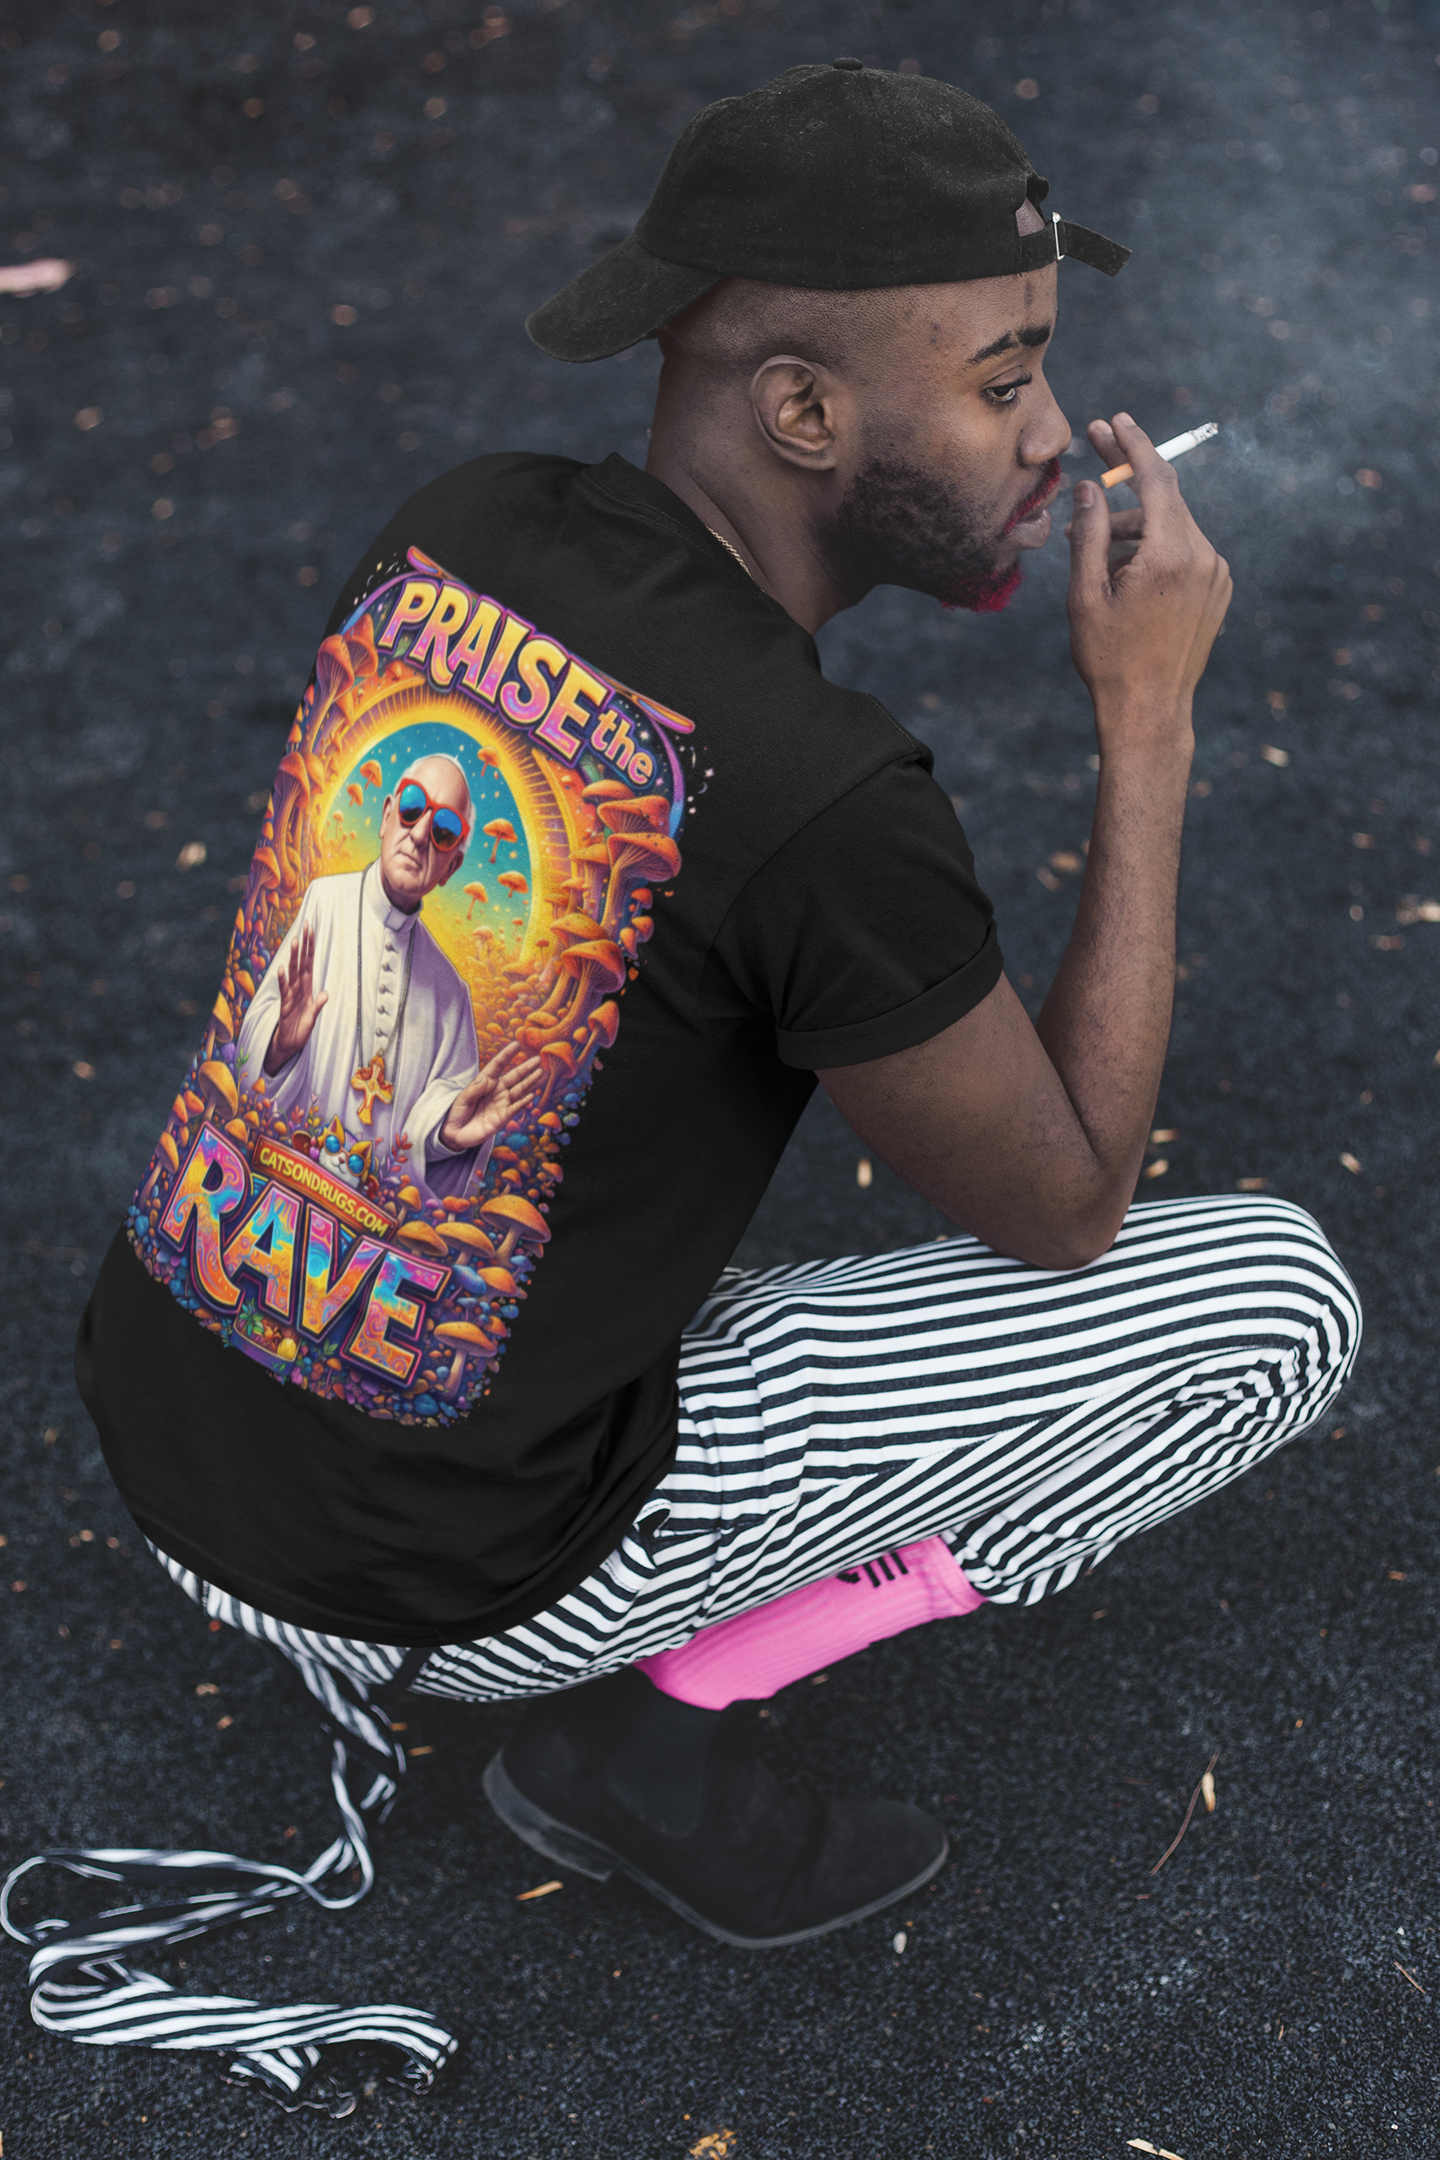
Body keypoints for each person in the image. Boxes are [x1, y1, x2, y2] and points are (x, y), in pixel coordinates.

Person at [19, 62, 1359, 2115]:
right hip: (433, 1573)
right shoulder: (822, 800)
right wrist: (1149, 722)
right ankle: (642, 1733)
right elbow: (1069, 1206)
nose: (1050, 439)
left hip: (175, 1414)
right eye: (1004, 382)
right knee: (1279, 1301)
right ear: (802, 411)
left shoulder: (457, 525)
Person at [234, 752, 536, 1198]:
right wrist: (281, 1045)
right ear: (387, 816)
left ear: (451, 868)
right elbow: (245, 1059)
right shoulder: (324, 903)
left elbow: (440, 1129)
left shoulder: (452, 995)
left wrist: (445, 1135)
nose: (420, 835)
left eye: (444, 830)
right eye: (413, 807)